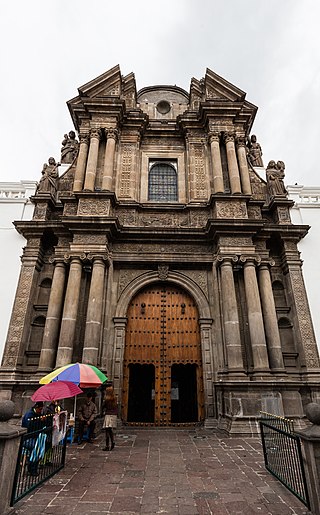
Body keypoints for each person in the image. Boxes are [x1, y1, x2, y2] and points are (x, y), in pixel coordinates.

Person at [21, 402, 45, 476]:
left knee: (41, 447)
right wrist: (39, 421)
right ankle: (32, 468)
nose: (41, 411)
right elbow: (29, 427)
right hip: (27, 438)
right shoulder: (29, 414)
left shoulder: (39, 414)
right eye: (40, 409)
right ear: (36, 408)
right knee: (35, 448)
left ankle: (34, 466)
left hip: (35, 437)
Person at [102, 386, 118, 451]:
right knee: (110, 430)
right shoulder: (115, 399)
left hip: (108, 415)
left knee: (107, 430)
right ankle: (113, 442)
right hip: (114, 415)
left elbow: (103, 406)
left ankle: (107, 445)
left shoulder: (107, 399)